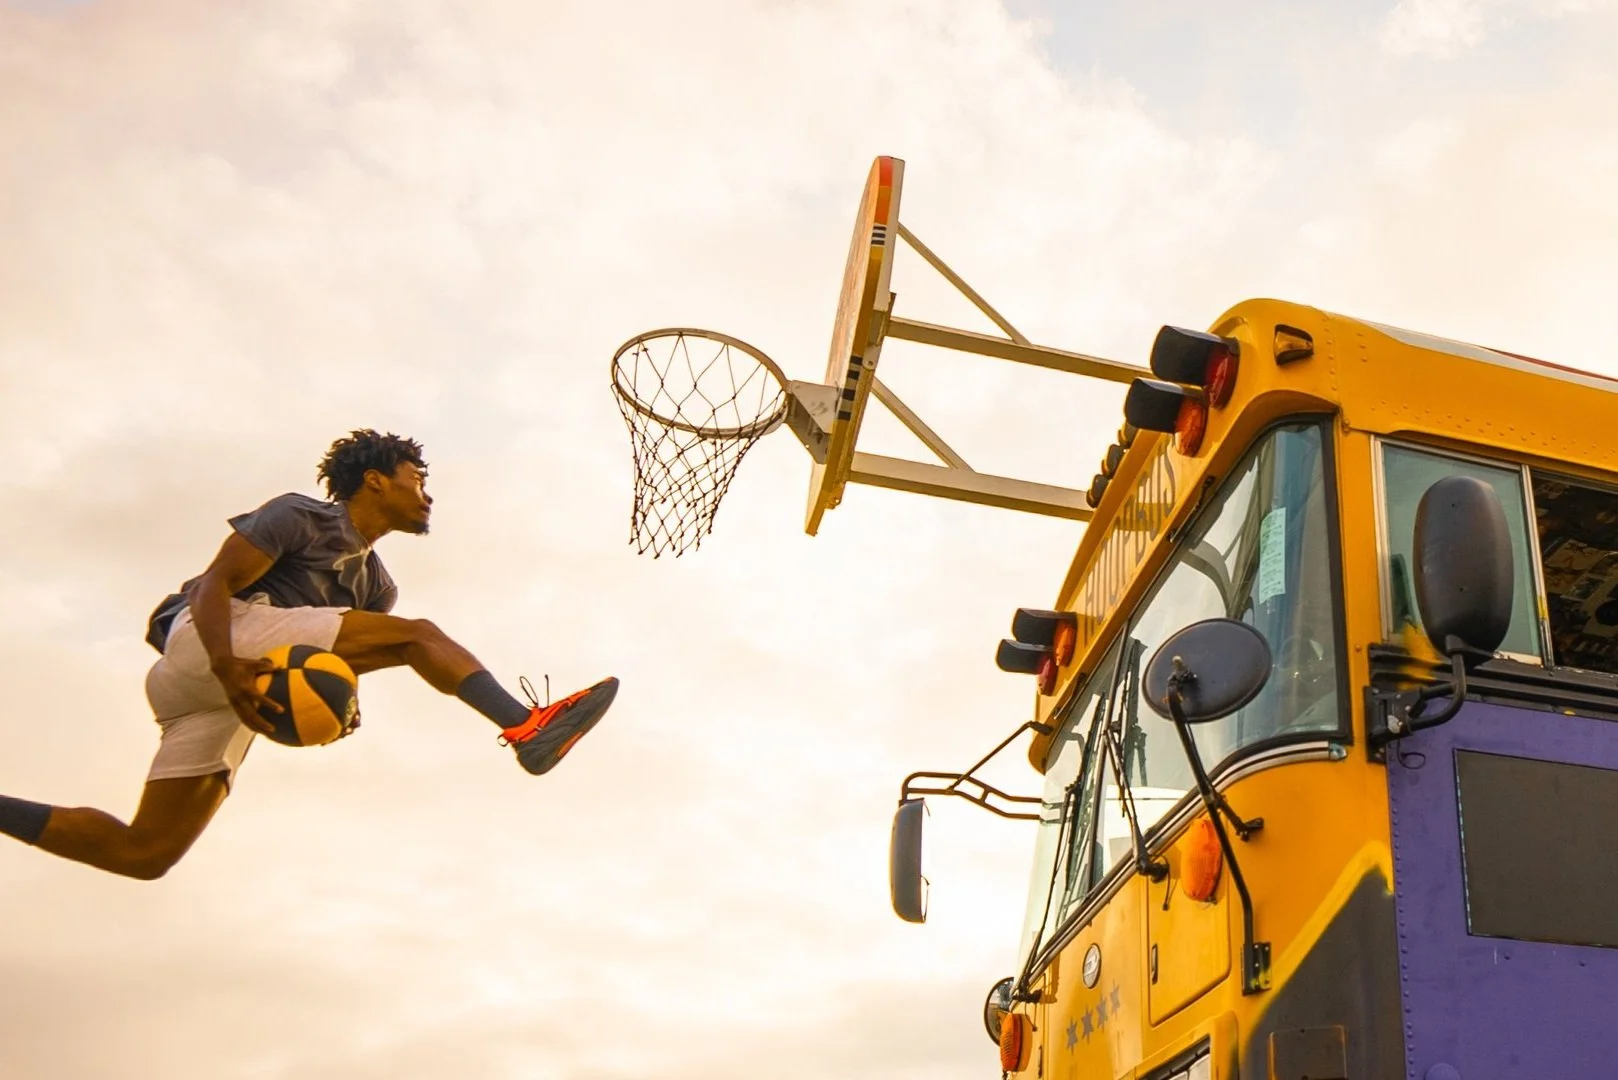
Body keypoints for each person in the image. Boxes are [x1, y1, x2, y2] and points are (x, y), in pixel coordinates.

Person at [0, 430, 618, 879]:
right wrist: (222, 661)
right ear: (376, 479)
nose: (427, 494)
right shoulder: (300, 515)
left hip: (209, 696)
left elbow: (337, 657)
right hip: (211, 639)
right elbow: (215, 584)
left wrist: (343, 705)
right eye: (418, 479)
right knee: (420, 634)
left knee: (145, 855)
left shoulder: (377, 586)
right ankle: (525, 725)